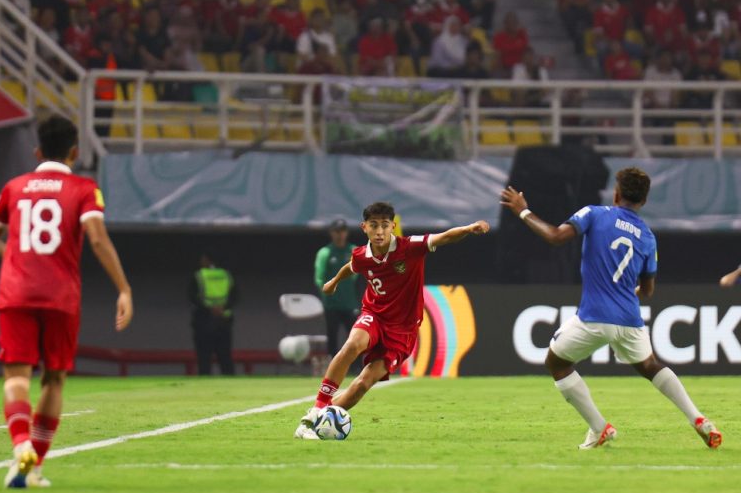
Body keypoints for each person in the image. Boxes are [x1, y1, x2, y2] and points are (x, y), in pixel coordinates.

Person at [500, 167, 722, 450]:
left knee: (556, 363)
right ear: (643, 201)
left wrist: (523, 211)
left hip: (594, 316)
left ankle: (599, 428)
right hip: (630, 318)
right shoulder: (647, 237)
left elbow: (555, 236)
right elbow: (649, 290)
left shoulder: (595, 214)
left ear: (616, 194)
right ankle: (699, 420)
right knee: (650, 366)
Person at [0, 115, 133, 488]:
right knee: (54, 379)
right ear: (75, 152)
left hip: (16, 294)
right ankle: (34, 467)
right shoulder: (83, 188)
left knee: (16, 377)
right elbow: (97, 239)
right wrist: (124, 289)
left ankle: (20, 447)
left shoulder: (13, 187)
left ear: (37, 151)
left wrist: (18, 260)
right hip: (60, 296)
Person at [294, 202, 490, 439]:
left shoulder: (410, 247)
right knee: (353, 345)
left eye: (384, 226)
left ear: (392, 227)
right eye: (374, 226)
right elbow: (351, 267)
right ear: (364, 227)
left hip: (403, 331)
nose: (379, 231)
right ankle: (317, 408)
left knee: (362, 385)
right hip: (374, 315)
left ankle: (316, 423)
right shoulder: (362, 255)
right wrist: (333, 282)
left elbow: (445, 237)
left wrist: (469, 228)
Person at [314, 219, 358, 363]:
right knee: (332, 337)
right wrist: (327, 292)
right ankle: (333, 367)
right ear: (331, 233)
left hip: (350, 304)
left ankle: (356, 367)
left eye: (343, 231)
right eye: (337, 231)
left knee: (356, 336)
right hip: (331, 305)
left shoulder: (353, 250)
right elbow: (319, 278)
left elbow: (356, 275)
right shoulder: (325, 253)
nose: (340, 235)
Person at [189, 254, 236, 375]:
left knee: (204, 358)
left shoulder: (199, 276)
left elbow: (192, 297)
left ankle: (204, 387)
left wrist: (209, 308)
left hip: (204, 321)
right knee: (225, 357)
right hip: (224, 320)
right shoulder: (227, 275)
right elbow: (236, 296)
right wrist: (223, 308)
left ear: (206, 260)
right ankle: (231, 386)